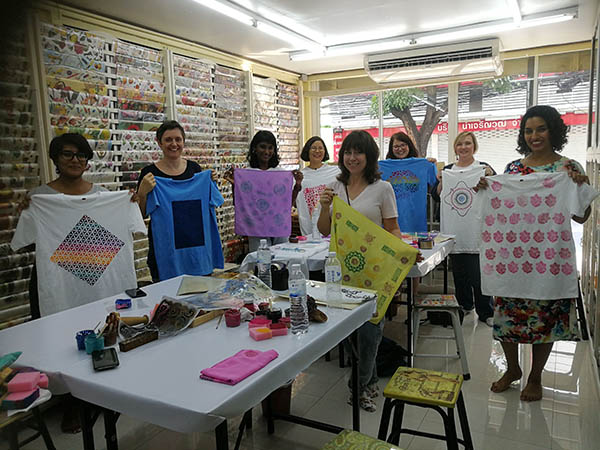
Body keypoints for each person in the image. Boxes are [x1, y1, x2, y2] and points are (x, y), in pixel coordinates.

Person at [16, 133, 137, 433]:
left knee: (100, 333)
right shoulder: (39, 199)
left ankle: (103, 394)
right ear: (55, 159)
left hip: (96, 284)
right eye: (68, 154)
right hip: (58, 282)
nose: (75, 160)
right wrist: (25, 213)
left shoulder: (106, 197)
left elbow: (126, 232)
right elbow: (23, 245)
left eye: (81, 155)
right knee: (61, 341)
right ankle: (71, 403)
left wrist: (129, 203)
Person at [476, 105, 592, 402]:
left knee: (545, 320)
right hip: (511, 260)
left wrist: (581, 188)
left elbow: (581, 217)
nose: (534, 135)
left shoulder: (569, 169)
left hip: (549, 260)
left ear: (554, 130)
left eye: (540, 129)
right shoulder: (514, 169)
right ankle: (513, 369)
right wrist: (486, 189)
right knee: (507, 317)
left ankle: (535, 376)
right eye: (528, 130)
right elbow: (500, 205)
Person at [317, 130, 404, 413]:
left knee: (371, 330)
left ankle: (361, 385)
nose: (352, 158)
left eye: (359, 152)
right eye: (348, 153)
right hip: (341, 269)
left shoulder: (383, 188)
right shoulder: (334, 186)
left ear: (370, 156)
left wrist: (397, 256)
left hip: (374, 270)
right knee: (349, 331)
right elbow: (324, 230)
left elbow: (392, 228)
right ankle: (367, 380)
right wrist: (324, 207)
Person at [137, 120, 214, 282]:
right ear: (159, 143)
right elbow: (140, 215)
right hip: (165, 253)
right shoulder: (149, 173)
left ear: (183, 142)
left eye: (178, 139)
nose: (174, 144)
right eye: (168, 140)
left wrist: (209, 182)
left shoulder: (195, 170)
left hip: (196, 251)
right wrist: (142, 193)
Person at [433, 131, 495, 325]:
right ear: (455, 148)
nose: (463, 147)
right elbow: (437, 196)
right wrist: (442, 180)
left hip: (477, 229)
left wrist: (490, 178)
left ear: (474, 146)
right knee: (459, 273)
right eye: (460, 144)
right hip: (454, 229)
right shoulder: (449, 169)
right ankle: (465, 306)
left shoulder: (483, 168)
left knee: (478, 274)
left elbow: (497, 192)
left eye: (467, 143)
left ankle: (486, 311)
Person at [225, 130, 303, 252]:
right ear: (255, 148)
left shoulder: (280, 174)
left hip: (279, 227)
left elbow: (287, 205)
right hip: (257, 227)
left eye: (270, 148)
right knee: (260, 263)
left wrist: (297, 186)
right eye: (262, 147)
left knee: (281, 261)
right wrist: (235, 185)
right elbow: (240, 205)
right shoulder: (247, 174)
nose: (266, 152)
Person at [296, 136, 340, 236]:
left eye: (320, 148)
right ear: (307, 150)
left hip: (332, 229)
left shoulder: (336, 171)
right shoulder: (300, 177)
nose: (317, 151)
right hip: (309, 232)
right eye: (313, 148)